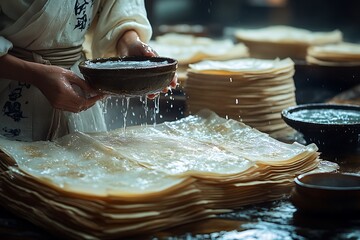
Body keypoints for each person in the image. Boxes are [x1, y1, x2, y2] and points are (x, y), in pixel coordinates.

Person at [0, 0, 176, 142]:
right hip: (10, 85)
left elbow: (116, 6)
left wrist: (130, 43)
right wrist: (34, 75)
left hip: (77, 84)